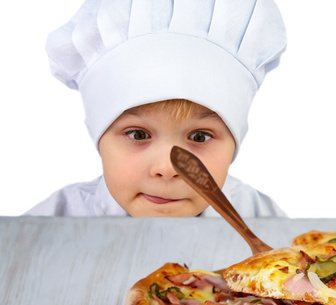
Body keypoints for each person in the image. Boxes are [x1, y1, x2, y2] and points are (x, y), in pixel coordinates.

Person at [25, 0, 286, 218]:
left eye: (199, 137)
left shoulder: (263, 221)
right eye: (139, 134)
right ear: (99, 137)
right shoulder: (49, 224)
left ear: (234, 143)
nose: (167, 168)